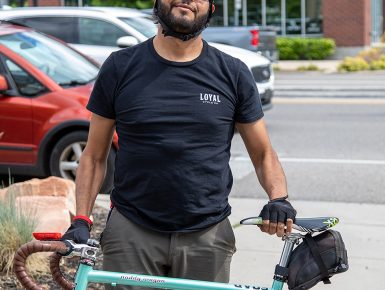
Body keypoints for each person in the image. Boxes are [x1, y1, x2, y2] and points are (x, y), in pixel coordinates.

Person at [62, 0, 296, 289]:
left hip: (207, 234)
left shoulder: (232, 73)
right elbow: (95, 156)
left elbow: (262, 154)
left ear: (210, 8)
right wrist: (82, 218)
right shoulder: (120, 67)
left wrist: (278, 198)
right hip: (132, 230)